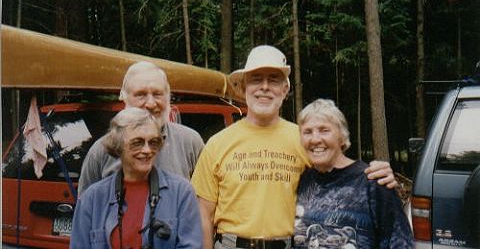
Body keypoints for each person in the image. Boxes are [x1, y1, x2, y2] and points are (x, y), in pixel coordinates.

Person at [191, 45, 398, 249]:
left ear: (285, 89)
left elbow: (344, 176)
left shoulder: (305, 141)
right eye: (256, 79)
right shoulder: (217, 144)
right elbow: (203, 216)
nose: (264, 87)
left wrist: (376, 175)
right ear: (244, 87)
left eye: (273, 80)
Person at [70, 107, 202, 248]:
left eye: (153, 142)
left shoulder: (181, 193)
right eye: (137, 143)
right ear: (118, 146)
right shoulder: (92, 198)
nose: (146, 150)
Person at [293, 99, 413, 248]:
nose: (315, 139)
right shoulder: (303, 180)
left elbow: (400, 243)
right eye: (307, 132)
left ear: (341, 137)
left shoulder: (373, 182)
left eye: (324, 130)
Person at [78, 61, 204, 194]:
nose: (150, 103)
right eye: (141, 94)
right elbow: (86, 209)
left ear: (168, 97)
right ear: (124, 97)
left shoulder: (190, 143)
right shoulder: (101, 151)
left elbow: (205, 206)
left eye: (157, 94)